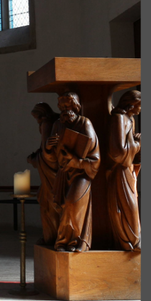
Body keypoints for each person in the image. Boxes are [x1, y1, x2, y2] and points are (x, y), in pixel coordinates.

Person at [46, 92, 100, 252]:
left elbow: (94, 154)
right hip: (63, 173)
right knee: (63, 207)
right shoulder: (57, 125)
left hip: (81, 172)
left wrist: (76, 160)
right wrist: (48, 147)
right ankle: (63, 241)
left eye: (68, 106)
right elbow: (52, 157)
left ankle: (76, 241)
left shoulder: (84, 123)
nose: (65, 109)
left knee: (72, 203)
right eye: (62, 106)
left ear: (76, 106)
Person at [107, 90, 142, 251]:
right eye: (139, 105)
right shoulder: (119, 118)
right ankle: (130, 240)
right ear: (131, 103)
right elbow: (117, 152)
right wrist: (137, 144)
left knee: (132, 204)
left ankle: (134, 240)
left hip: (128, 169)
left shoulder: (130, 119)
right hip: (120, 171)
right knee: (127, 207)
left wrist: (136, 145)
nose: (140, 109)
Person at [26, 103, 60, 246]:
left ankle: (53, 237)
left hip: (51, 172)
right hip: (50, 171)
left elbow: (47, 153)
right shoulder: (52, 122)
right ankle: (52, 237)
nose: (38, 121)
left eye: (38, 118)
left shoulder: (47, 123)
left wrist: (34, 159)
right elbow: (45, 148)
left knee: (50, 205)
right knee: (48, 203)